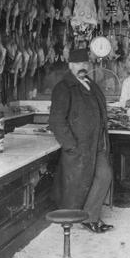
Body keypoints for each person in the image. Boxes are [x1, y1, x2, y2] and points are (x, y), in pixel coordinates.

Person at [48, 48, 114, 233]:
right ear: (70, 66)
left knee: (105, 175)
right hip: (79, 146)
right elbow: (56, 121)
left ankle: (89, 216)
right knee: (76, 184)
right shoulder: (63, 87)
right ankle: (88, 219)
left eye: (85, 63)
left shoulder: (91, 84)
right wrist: (70, 145)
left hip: (97, 143)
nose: (82, 67)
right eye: (77, 64)